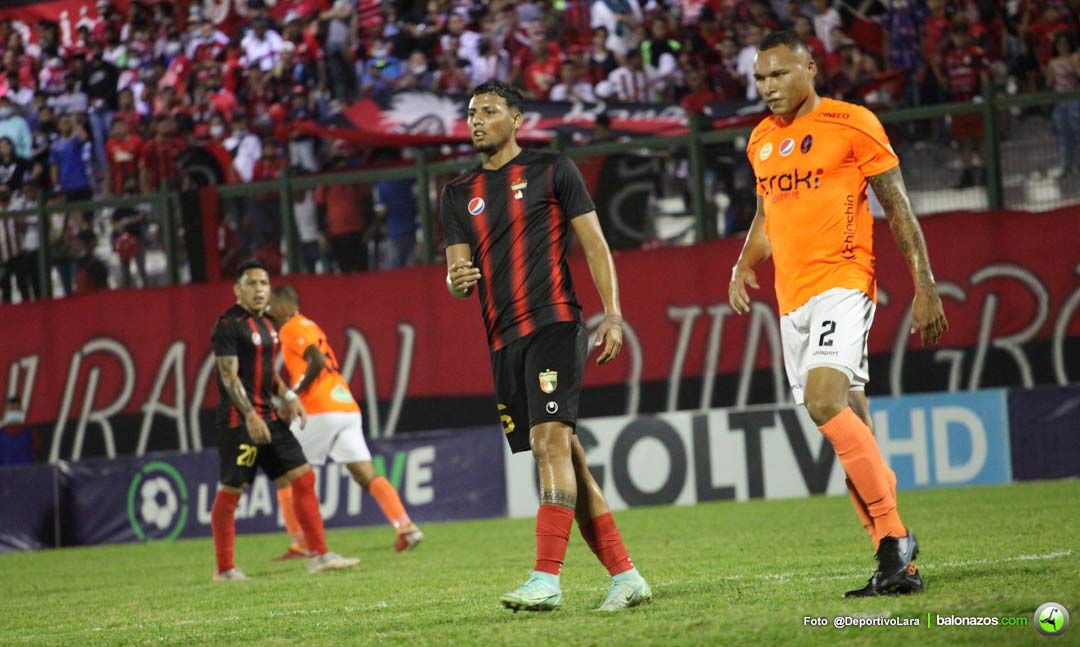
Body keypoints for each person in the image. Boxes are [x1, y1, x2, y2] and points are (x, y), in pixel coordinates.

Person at [730, 31, 949, 598]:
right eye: (760, 78)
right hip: (791, 299)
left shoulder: (852, 123)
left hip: (843, 282)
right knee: (849, 427)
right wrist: (742, 264)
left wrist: (924, 283)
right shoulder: (759, 140)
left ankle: (894, 539)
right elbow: (766, 214)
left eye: (779, 75)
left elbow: (897, 206)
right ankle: (893, 557)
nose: (768, 87)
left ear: (810, 68)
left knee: (826, 400)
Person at [441, 80, 651, 612]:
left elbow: (595, 243)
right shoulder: (455, 190)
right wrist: (457, 281)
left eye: (489, 111)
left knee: (548, 443)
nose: (477, 120)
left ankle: (546, 578)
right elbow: (456, 274)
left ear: (517, 119)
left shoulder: (553, 169)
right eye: (470, 113)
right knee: (570, 459)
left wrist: (614, 314)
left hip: (555, 323)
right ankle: (626, 576)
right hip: (503, 339)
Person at [210, 260, 359, 581]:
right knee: (232, 491)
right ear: (238, 289)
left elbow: (268, 373)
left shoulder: (268, 326)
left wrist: (289, 397)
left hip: (270, 416)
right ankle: (224, 569)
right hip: (240, 420)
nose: (259, 289)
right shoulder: (228, 325)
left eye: (264, 283)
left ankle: (319, 554)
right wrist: (249, 414)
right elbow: (228, 375)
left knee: (304, 478)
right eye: (251, 283)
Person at [268, 285, 424, 557]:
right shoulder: (311, 325)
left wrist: (293, 395)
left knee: (285, 471)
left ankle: (302, 543)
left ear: (282, 305)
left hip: (319, 408)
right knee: (365, 473)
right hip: (345, 405)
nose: (268, 310)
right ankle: (406, 527)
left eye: (271, 304)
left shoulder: (290, 326)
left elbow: (315, 361)